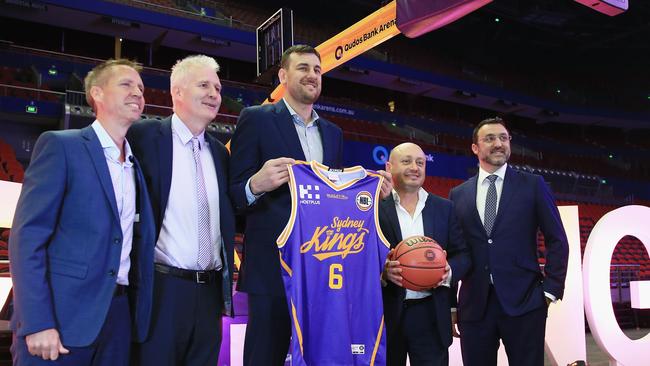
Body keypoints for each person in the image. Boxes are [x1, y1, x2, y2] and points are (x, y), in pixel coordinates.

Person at [229, 44, 391, 365]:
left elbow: (333, 200)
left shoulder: (333, 134)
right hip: (272, 267)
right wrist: (255, 185)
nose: (312, 75)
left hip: (320, 267)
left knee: (318, 356)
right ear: (283, 75)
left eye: (317, 70)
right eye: (303, 68)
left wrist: (368, 190)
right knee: (265, 355)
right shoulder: (257, 118)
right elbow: (233, 194)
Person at [9, 59, 155, 365]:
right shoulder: (61, 146)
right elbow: (27, 239)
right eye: (126, 85)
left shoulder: (135, 165)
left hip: (117, 318)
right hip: (61, 318)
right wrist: (37, 322)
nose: (138, 93)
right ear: (97, 94)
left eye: (141, 88)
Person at [127, 55, 235, 366]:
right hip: (162, 289)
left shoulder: (219, 153)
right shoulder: (144, 136)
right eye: (204, 85)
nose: (214, 93)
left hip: (211, 293)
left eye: (217, 87)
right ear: (177, 92)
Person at [449, 117, 569, 366]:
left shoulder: (533, 185)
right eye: (490, 138)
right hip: (474, 306)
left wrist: (550, 290)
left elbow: (557, 239)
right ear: (475, 148)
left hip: (525, 302)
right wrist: (451, 305)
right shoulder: (458, 194)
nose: (498, 143)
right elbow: (453, 252)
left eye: (504, 138)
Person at [381, 142, 471, 366]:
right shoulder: (373, 207)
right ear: (389, 167)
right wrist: (382, 272)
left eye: (420, 163)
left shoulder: (444, 208)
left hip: (431, 313)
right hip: (386, 313)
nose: (415, 167)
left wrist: (448, 272)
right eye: (407, 161)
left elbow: (463, 255)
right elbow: (358, 257)